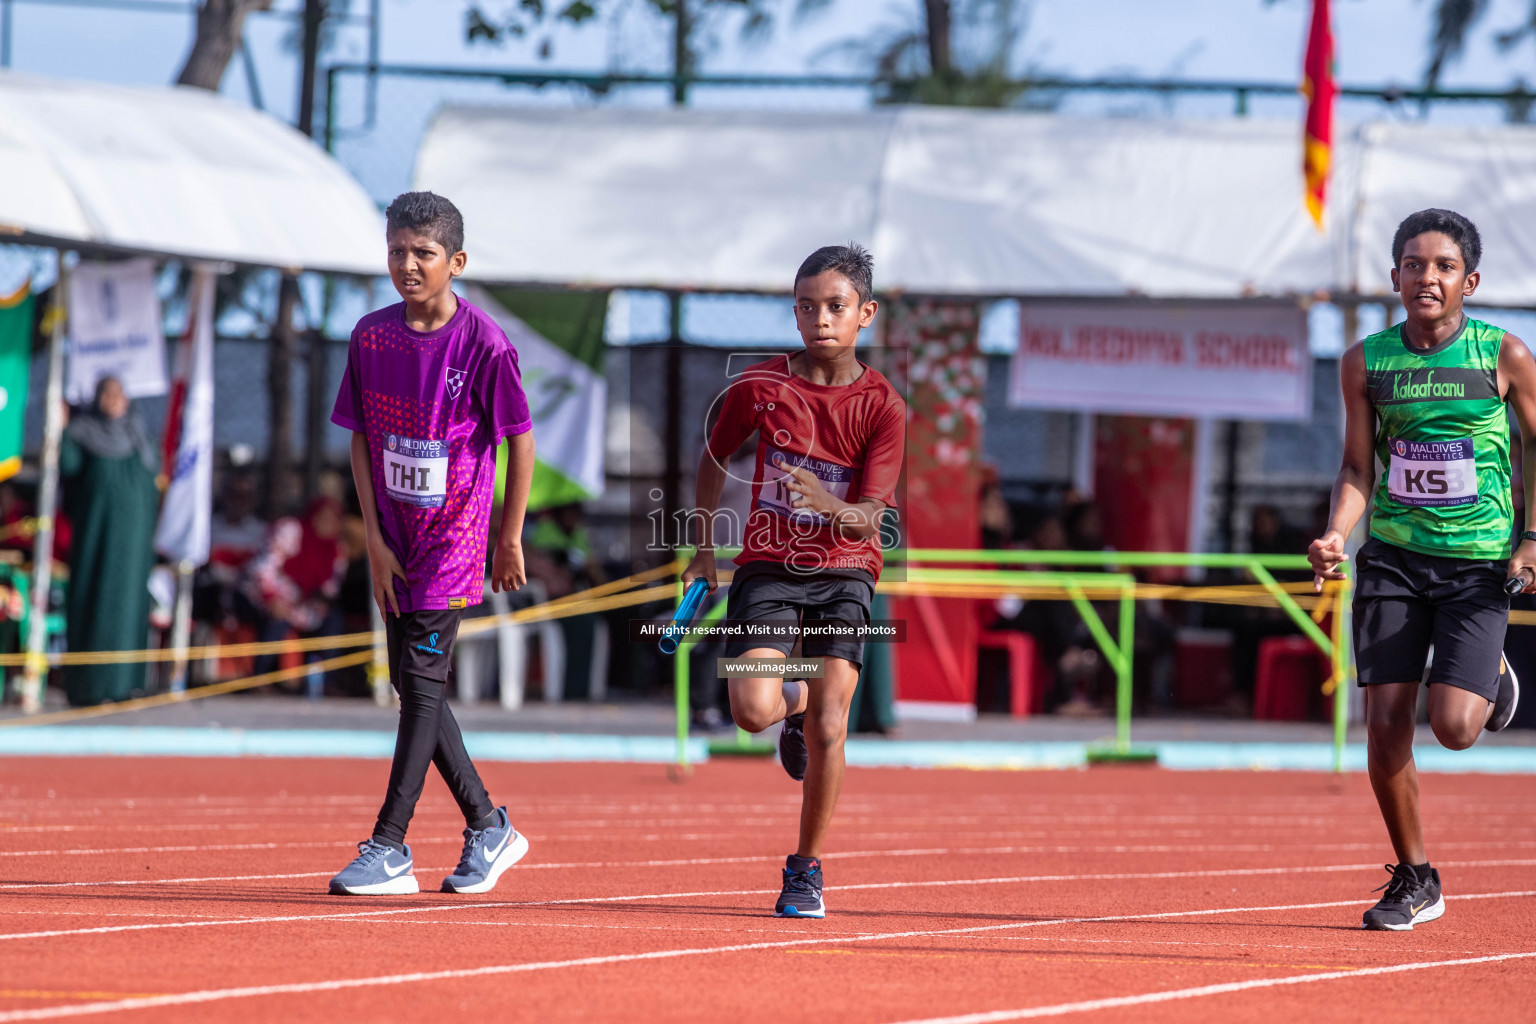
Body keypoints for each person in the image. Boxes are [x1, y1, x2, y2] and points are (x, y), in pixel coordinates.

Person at [1309, 209, 1532, 931]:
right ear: (1395, 277)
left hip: (1475, 567)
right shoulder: (1367, 362)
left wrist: (1533, 539)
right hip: (1394, 562)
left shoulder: (1504, 356)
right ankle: (1415, 876)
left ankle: (1489, 677)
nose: (1425, 277)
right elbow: (1355, 465)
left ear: (1469, 281)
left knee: (1457, 728)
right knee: (1384, 725)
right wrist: (1338, 533)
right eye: (1412, 264)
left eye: (1441, 266)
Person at [683, 243, 905, 918]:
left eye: (836, 307)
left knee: (833, 726)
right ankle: (795, 705)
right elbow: (715, 456)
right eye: (806, 307)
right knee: (750, 711)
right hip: (768, 567)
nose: (820, 320)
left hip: (844, 573)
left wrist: (827, 502)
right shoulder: (761, 387)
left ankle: (805, 868)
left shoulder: (883, 407)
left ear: (864, 313)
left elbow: (870, 521)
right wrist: (702, 549)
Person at [327, 191, 536, 896]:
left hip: (455, 538)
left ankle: (389, 845)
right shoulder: (371, 336)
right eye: (396, 251)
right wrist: (375, 542)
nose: (407, 265)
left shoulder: (484, 344)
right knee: (412, 685)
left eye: (423, 253)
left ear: (456, 262)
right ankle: (488, 824)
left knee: (419, 689)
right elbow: (359, 440)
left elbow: (519, 439)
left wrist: (507, 538)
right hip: (395, 541)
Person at [60, 376, 159, 706]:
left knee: (130, 609)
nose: (115, 399)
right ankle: (90, 686)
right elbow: (68, 476)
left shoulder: (139, 437)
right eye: (108, 393)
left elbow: (152, 486)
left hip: (133, 549)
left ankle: (125, 685)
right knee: (94, 605)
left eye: (120, 393)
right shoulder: (81, 433)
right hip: (95, 542)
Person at [239, 495, 346, 679]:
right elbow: (263, 567)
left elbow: (331, 587)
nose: (327, 524)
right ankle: (260, 678)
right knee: (278, 620)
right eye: (323, 517)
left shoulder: (336, 548)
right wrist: (271, 598)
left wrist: (319, 599)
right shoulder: (291, 529)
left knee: (332, 620)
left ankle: (329, 682)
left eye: (333, 519)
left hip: (304, 605)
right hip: (259, 595)